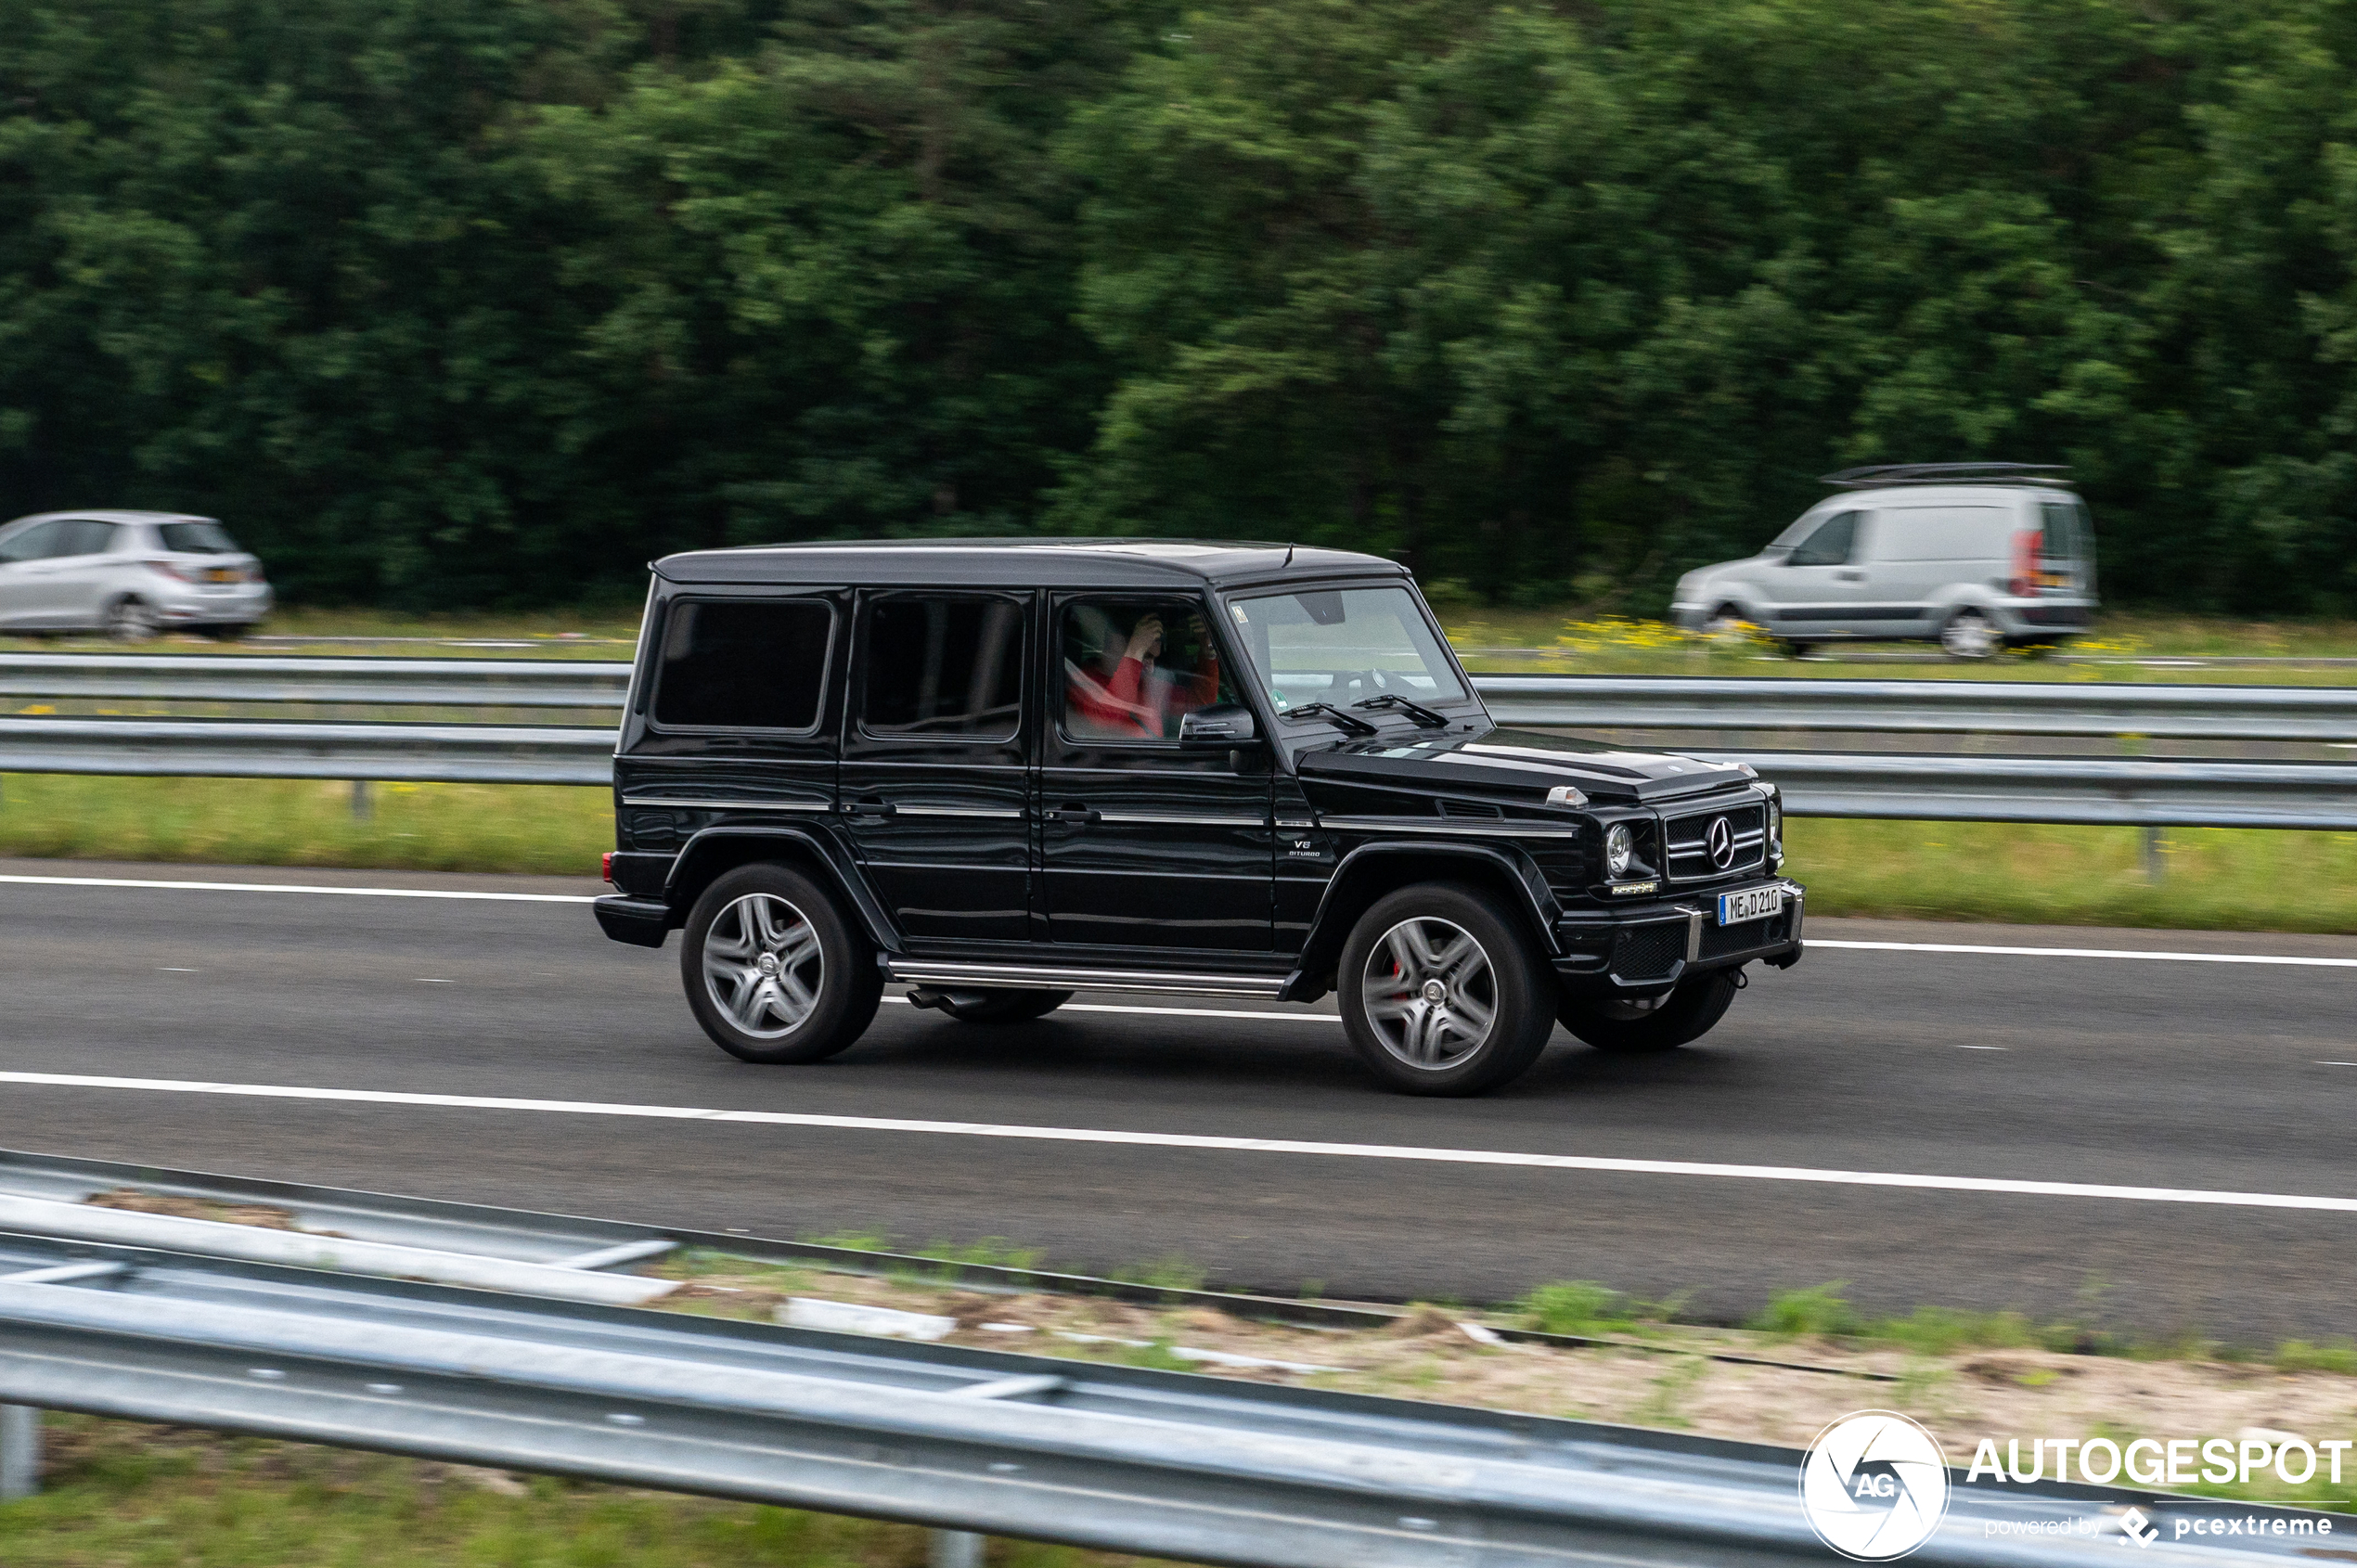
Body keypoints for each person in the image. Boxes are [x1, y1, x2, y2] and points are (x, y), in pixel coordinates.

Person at [1066, 609, 1222, 739]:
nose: (1151, 667)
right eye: (1145, 656)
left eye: (1154, 659)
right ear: (1116, 644)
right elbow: (1105, 722)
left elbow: (1200, 709)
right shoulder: (1083, 680)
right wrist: (1135, 652)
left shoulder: (1148, 682)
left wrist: (1208, 652)